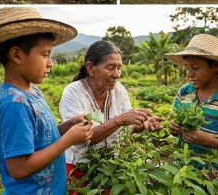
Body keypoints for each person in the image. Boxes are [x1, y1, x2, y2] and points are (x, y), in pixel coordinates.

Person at [0, 7, 94, 195]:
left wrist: (66, 127)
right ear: (17, 55)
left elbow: (40, 138)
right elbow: (18, 169)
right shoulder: (14, 104)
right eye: (44, 54)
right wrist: (68, 140)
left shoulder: (32, 92)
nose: (51, 63)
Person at [60, 41, 162, 183]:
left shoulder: (119, 90)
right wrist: (119, 120)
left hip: (112, 167)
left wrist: (143, 124)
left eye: (119, 68)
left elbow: (128, 127)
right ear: (90, 68)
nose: (116, 74)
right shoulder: (73, 92)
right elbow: (83, 137)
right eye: (110, 68)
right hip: (79, 167)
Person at [164, 34, 218, 172]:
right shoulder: (185, 92)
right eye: (187, 68)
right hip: (181, 170)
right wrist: (173, 128)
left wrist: (206, 140)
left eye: (196, 68)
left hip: (212, 175)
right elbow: (175, 124)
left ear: (215, 66)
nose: (189, 74)